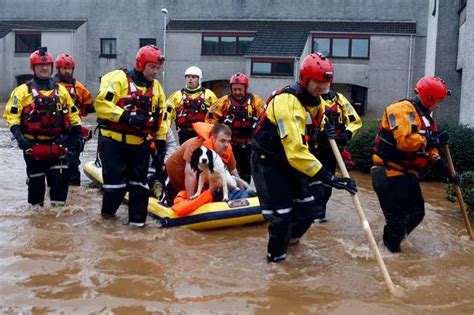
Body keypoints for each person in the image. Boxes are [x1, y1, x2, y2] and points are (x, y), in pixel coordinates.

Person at [251, 53, 357, 263]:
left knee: (307, 211)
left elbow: (318, 130)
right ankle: (276, 263)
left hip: (292, 164)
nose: (323, 86)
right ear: (304, 79)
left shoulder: (319, 103)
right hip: (269, 163)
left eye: (326, 81)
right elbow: (296, 151)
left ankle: (290, 245)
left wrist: (334, 135)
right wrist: (330, 177)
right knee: (281, 216)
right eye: (317, 81)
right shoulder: (288, 103)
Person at [371, 76, 458, 253]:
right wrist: (432, 140)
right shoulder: (401, 109)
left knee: (417, 213)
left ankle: (393, 241)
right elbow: (405, 141)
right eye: (438, 100)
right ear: (430, 97)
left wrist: (443, 167)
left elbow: (429, 150)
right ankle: (390, 251)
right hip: (388, 172)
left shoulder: (426, 120)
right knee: (397, 219)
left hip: (406, 174)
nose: (439, 105)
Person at [95, 45, 168, 227]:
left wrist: (160, 144)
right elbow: (102, 104)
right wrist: (126, 117)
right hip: (114, 144)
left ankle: (137, 229)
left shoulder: (157, 88)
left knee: (140, 189)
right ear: (141, 64)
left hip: (139, 146)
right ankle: (107, 223)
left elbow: (162, 116)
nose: (155, 72)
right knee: (115, 190)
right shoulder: (119, 79)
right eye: (152, 67)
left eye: (158, 68)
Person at [3, 47, 82, 207]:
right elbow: (11, 116)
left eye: (47, 66)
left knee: (60, 188)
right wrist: (20, 138)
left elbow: (73, 115)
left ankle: (56, 223)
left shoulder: (61, 91)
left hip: (58, 144)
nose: (44, 68)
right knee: (36, 192)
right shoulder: (22, 91)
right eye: (40, 66)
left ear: (52, 67)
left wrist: (76, 137)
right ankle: (37, 222)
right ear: (33, 68)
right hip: (34, 146)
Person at [309, 89, 362, 223]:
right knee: (315, 189)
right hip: (311, 152)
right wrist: (320, 135)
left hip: (332, 152)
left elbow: (355, 121)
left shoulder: (339, 99)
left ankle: (319, 219)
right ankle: (313, 217)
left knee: (327, 189)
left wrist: (345, 135)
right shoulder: (308, 100)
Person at [206, 72, 266, 183]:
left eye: (240, 89)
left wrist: (257, 131)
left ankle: (245, 191)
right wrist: (219, 131)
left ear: (245, 88)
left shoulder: (255, 101)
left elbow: (265, 118)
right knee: (229, 171)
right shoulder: (224, 101)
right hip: (230, 145)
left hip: (249, 144)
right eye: (235, 89)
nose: (237, 92)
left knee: (247, 171)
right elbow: (210, 117)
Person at [165, 123, 244, 203]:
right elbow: (190, 174)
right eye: (223, 141)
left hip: (198, 178)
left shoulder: (226, 149)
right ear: (213, 139)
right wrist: (191, 201)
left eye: (228, 141)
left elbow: (234, 172)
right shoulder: (196, 146)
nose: (226, 145)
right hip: (177, 173)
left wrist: (243, 192)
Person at [53, 53, 94, 186]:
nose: (67, 71)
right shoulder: (50, 86)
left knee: (73, 162)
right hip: (54, 131)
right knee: (54, 163)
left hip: (73, 131)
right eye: (64, 68)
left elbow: (89, 105)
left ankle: (74, 192)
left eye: (69, 68)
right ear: (58, 69)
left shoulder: (78, 87)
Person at [166, 66, 217, 144]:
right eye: (188, 77)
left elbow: (217, 112)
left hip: (203, 133)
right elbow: (167, 115)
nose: (190, 79)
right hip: (185, 133)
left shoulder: (209, 95)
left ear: (199, 79)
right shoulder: (177, 95)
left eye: (193, 77)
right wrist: (165, 132)